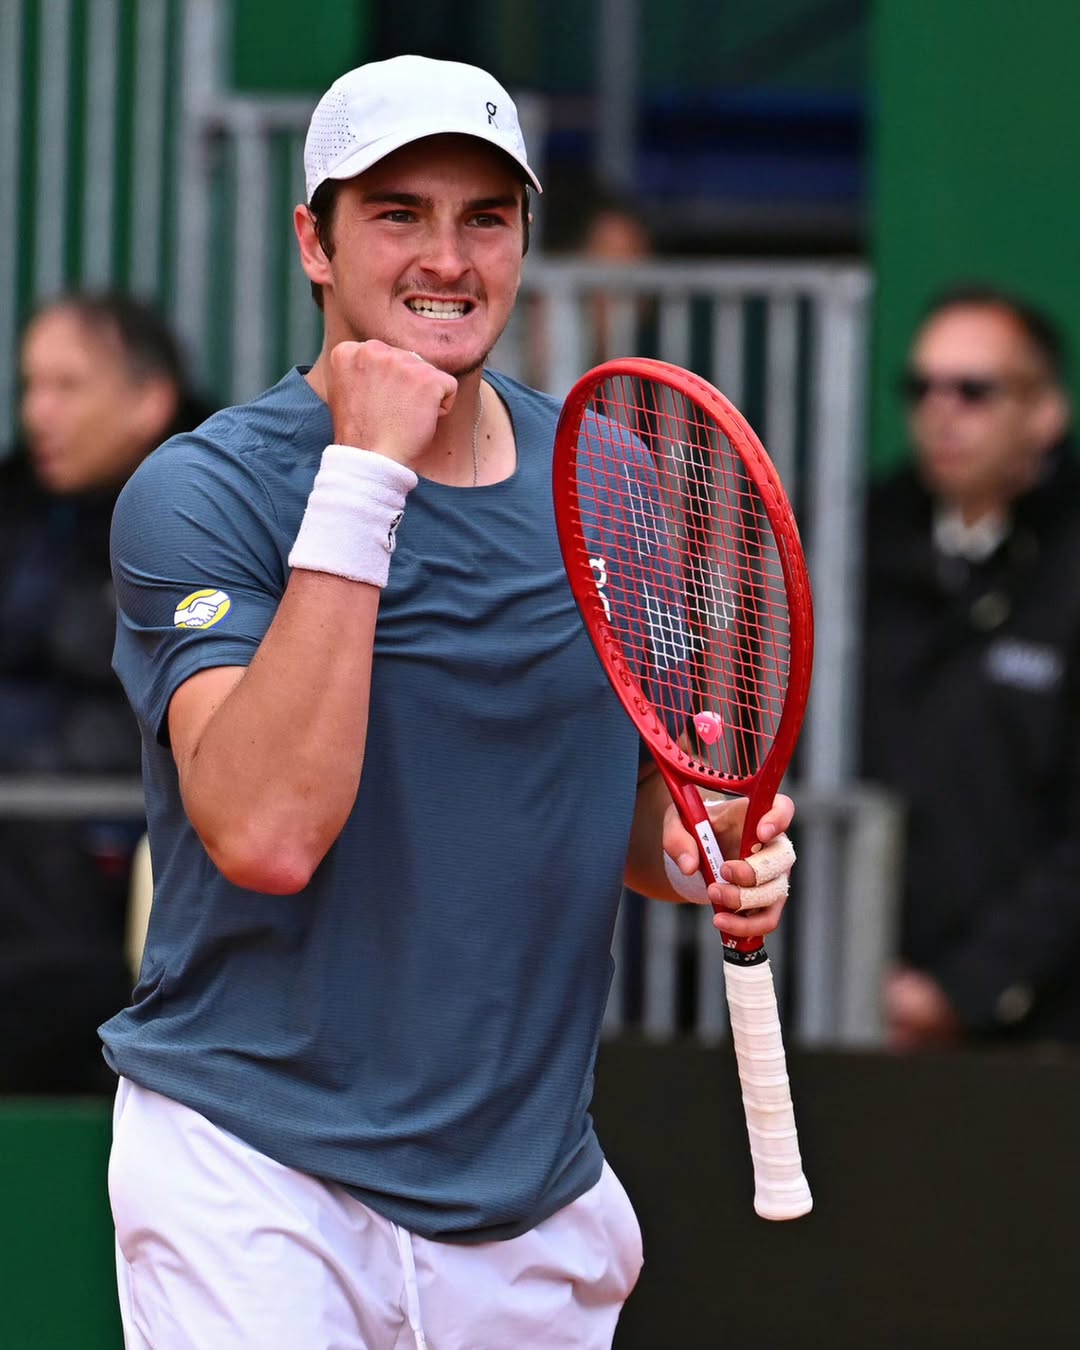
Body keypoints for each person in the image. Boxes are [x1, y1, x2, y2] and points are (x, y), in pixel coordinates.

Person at [100, 55, 798, 1349]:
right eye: (398, 213)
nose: (448, 257)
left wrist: (703, 852)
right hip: (253, 1175)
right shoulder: (200, 495)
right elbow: (266, 832)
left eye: (486, 217)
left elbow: (632, 814)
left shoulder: (609, 480)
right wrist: (367, 470)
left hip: (524, 1196)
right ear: (314, 242)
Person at [0, 291, 213, 1094]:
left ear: (148, 401)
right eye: (31, 386)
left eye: (66, 386)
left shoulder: (215, 516)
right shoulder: (17, 507)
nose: (38, 412)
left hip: (119, 892)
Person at [859, 284, 1080, 1051]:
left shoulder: (1068, 563)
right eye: (922, 388)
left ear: (1045, 412)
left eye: (974, 390)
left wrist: (965, 989)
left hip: (1043, 1037)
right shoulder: (859, 539)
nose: (941, 411)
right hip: (859, 1005)